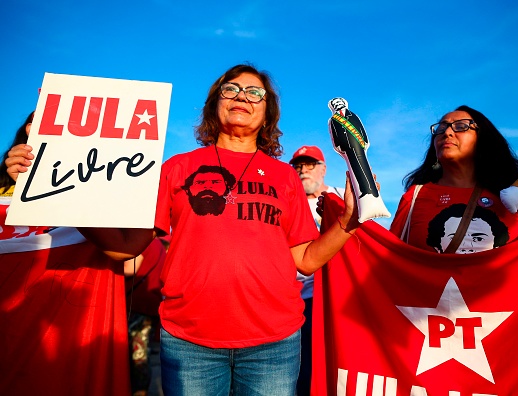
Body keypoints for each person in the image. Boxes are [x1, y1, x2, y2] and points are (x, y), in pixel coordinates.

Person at [7, 64, 361, 395]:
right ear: (213, 105)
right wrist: (50, 184)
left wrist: (348, 219)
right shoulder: (175, 168)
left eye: (255, 93)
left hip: (275, 343)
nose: (242, 96)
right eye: (231, 89)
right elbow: (124, 247)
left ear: (268, 113)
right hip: (190, 343)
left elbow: (306, 260)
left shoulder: (285, 177)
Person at [1, 112, 131, 395]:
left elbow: (130, 252)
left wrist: (56, 184)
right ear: (27, 129)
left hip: (75, 350)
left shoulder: (101, 191)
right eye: (39, 119)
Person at [389, 105, 518, 253]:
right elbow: (387, 257)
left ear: (482, 139)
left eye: (461, 126)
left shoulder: (508, 196)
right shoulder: (415, 196)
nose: (447, 132)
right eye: (441, 128)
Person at [288, 145, 344, 395]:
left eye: (309, 165)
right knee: (296, 366)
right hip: (293, 297)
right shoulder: (287, 201)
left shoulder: (343, 197)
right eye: (298, 166)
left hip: (334, 298)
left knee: (332, 360)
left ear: (323, 169)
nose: (302, 171)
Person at [124, 237, 167, 396]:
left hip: (139, 305)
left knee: (138, 354)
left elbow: (130, 268)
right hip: (148, 304)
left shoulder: (143, 241)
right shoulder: (157, 244)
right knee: (140, 352)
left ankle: (140, 392)